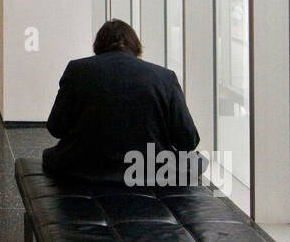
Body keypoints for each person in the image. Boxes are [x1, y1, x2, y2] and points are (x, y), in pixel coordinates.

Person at [43, 19, 201, 184]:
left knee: (54, 155)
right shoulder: (165, 77)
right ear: (136, 46)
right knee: (198, 160)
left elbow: (56, 128)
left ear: (98, 46)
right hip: (150, 172)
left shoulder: (77, 70)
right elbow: (188, 141)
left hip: (83, 168)